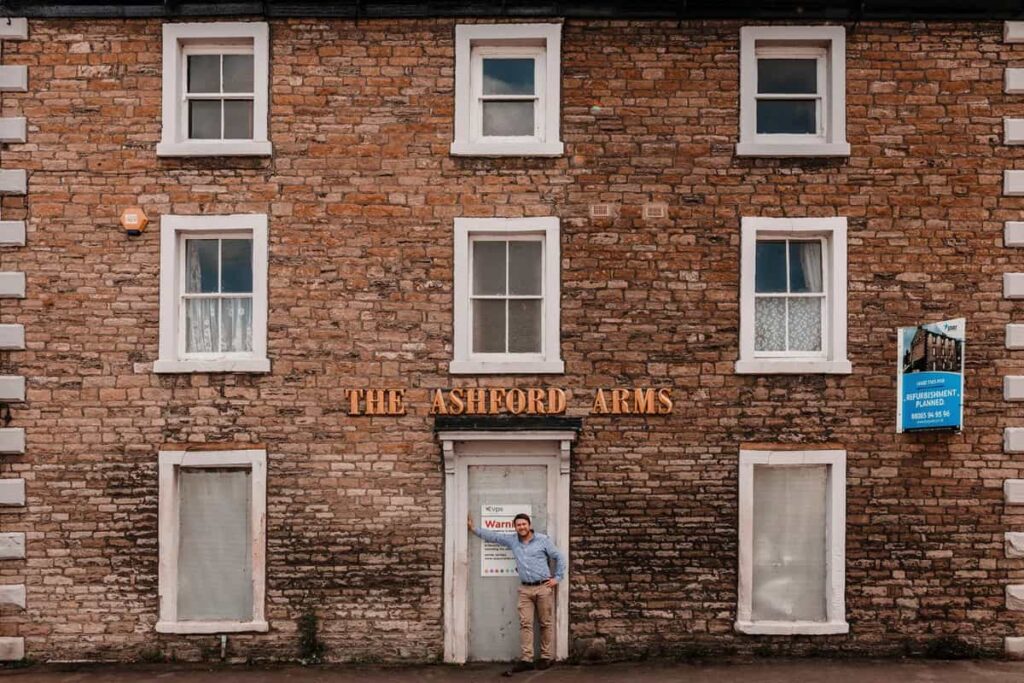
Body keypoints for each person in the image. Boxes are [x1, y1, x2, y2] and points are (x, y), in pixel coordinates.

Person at [468, 512, 566, 676]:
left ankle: (546, 657)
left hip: (543, 588)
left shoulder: (542, 540)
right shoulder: (513, 540)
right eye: (518, 525)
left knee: (545, 624)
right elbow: (494, 536)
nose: (521, 527)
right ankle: (527, 660)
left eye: (524, 524)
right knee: (525, 624)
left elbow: (559, 557)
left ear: (529, 525)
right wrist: (473, 529)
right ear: (515, 527)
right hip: (525, 590)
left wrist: (557, 578)